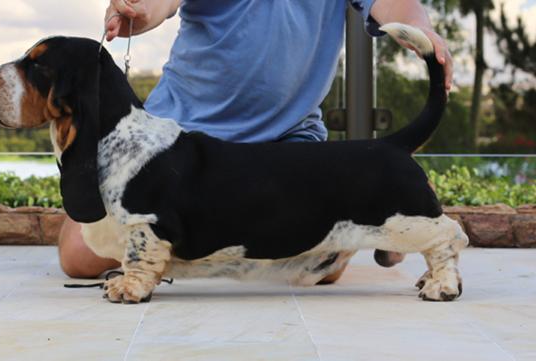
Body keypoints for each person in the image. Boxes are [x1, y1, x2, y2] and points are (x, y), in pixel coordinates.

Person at [59, 0, 453, 279]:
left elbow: (397, 3)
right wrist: (138, 11)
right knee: (78, 255)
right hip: (181, 136)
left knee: (317, 268)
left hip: (287, 143)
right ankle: (383, 204)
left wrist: (424, 30)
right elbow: (156, 3)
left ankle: (388, 210)